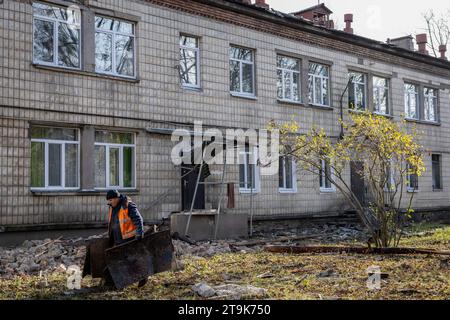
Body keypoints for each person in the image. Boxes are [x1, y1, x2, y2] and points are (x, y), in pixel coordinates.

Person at [105, 190, 148, 288]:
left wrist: (139, 234)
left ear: (116, 198)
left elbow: (138, 219)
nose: (109, 202)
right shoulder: (112, 207)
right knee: (121, 260)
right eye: (109, 200)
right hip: (118, 238)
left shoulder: (127, 205)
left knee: (132, 259)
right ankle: (122, 282)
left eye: (111, 200)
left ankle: (143, 276)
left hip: (129, 238)